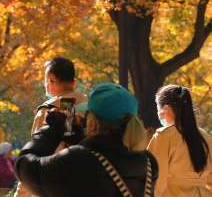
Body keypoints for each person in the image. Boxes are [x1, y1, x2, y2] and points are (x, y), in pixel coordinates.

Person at [15, 83, 158, 197]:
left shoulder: (77, 160)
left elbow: (24, 167)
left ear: (92, 123)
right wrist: (81, 139)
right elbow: (108, 158)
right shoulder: (148, 162)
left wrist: (52, 130)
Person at [15, 57, 87, 197]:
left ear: (52, 80)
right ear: (73, 82)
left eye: (45, 80)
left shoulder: (49, 110)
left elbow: (34, 157)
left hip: (54, 186)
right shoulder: (92, 107)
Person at [147, 84, 212, 197]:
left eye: (158, 108)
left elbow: (155, 179)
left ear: (166, 109)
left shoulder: (163, 137)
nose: (158, 113)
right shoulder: (205, 137)